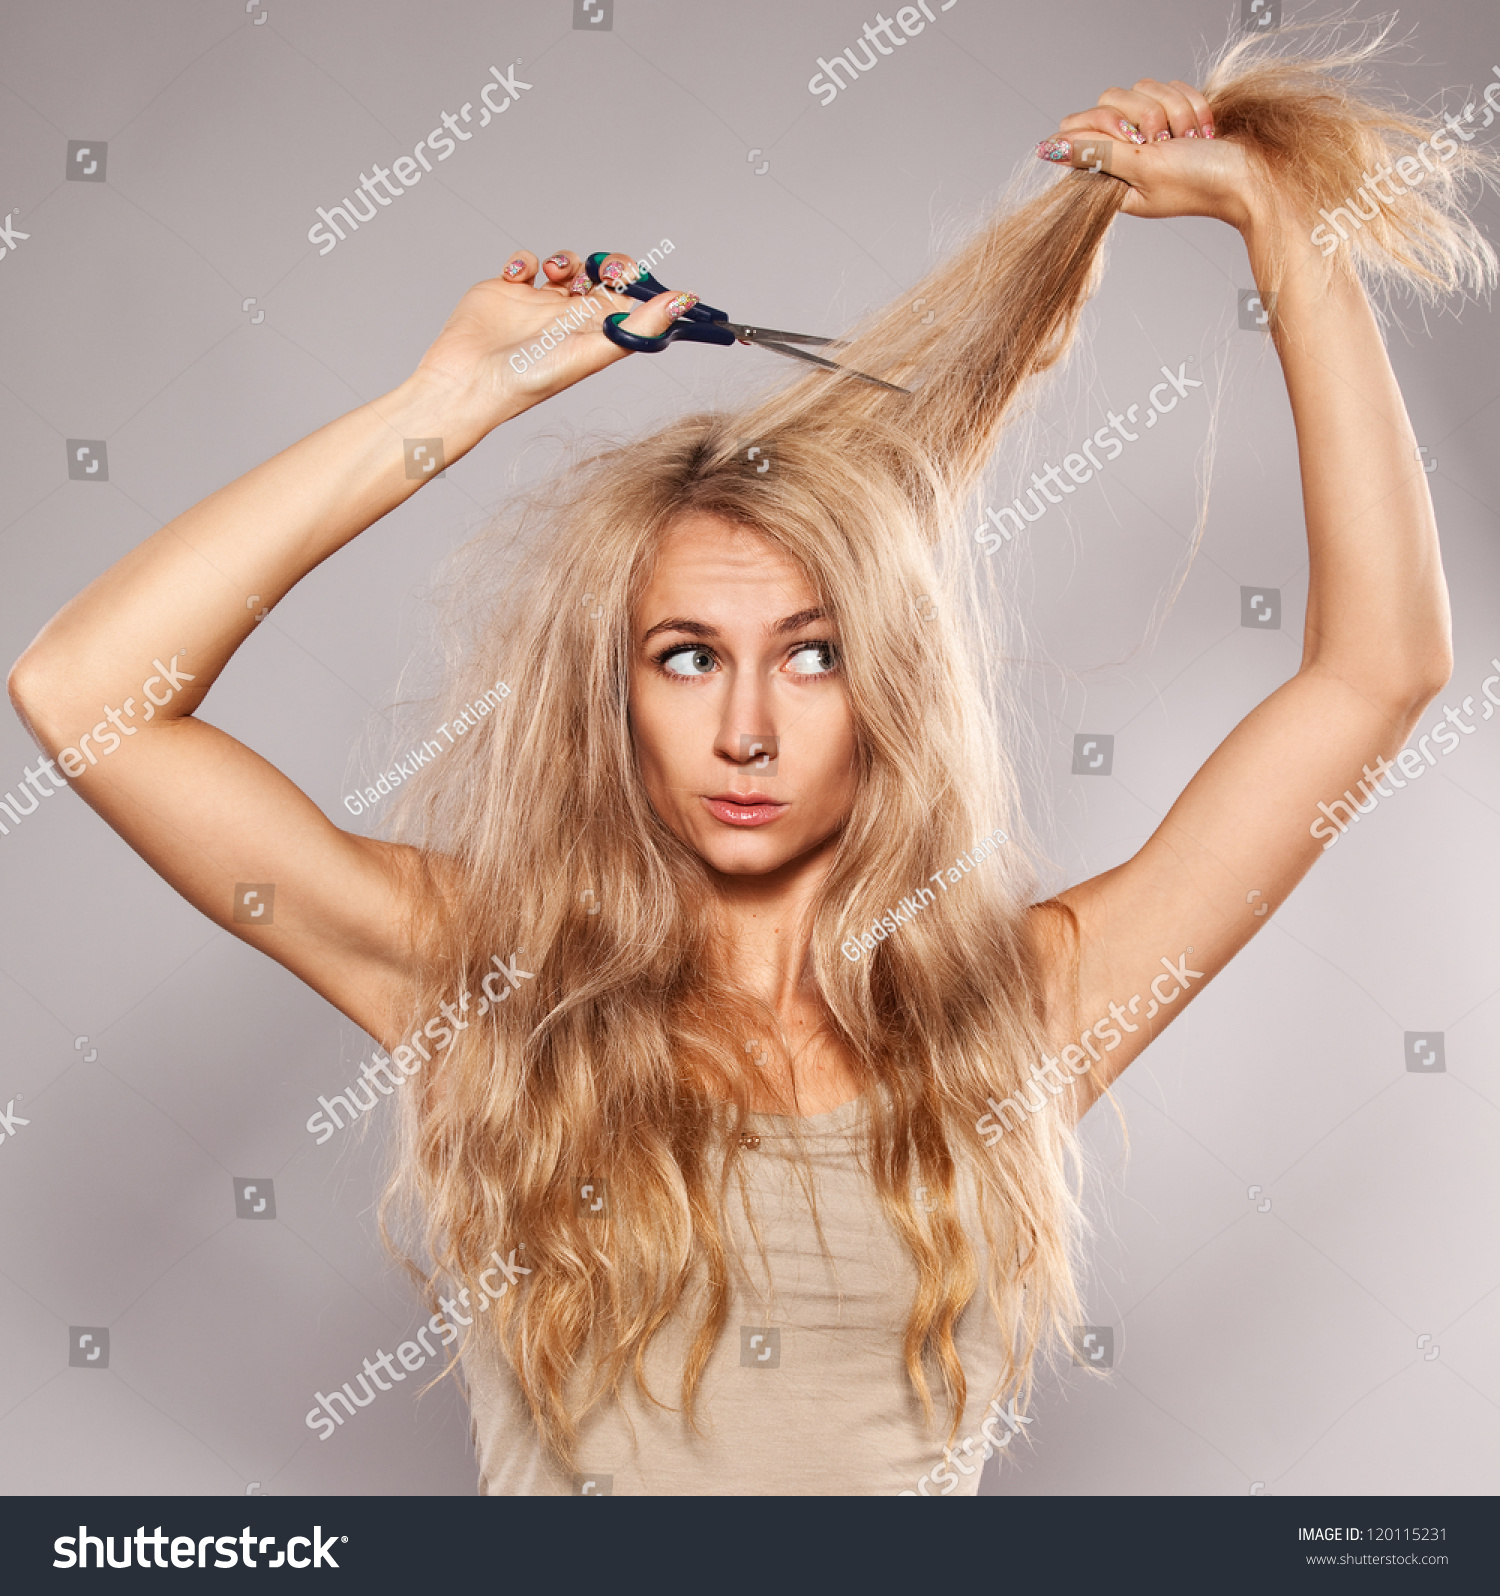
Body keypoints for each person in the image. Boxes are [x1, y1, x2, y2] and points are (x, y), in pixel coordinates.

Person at [9, 27, 1492, 1495]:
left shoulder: (1019, 1017)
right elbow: (86, 695)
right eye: (687, 657)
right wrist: (444, 405)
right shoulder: (486, 982)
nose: (746, 729)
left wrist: (1283, 219)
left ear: (890, 694)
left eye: (813, 653)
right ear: (619, 698)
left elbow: (1379, 671)